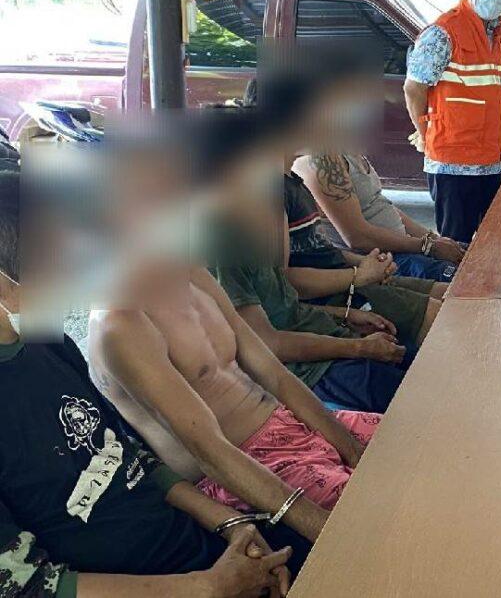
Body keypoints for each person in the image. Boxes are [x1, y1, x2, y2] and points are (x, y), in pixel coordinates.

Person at [0, 171, 296, 598]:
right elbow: (24, 586)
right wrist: (208, 587)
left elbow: (127, 455)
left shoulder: (49, 345)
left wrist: (232, 525)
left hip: (195, 547)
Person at [87, 262, 381, 543]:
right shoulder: (120, 323)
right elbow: (209, 452)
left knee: (403, 443)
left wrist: (352, 449)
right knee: (380, 515)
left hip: (290, 424)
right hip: (246, 470)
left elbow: (275, 375)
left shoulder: (191, 273)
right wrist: (319, 526)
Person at [403, 0, 501, 244]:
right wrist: (425, 133)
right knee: (456, 247)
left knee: (494, 246)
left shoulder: (500, 33)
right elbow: (413, 89)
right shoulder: (444, 32)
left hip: (494, 160)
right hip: (454, 165)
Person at [212, 257, 415, 414]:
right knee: (416, 399)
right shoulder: (223, 253)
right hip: (310, 370)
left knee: (416, 358)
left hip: (333, 337)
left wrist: (345, 315)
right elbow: (269, 345)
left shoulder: (252, 234)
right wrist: (361, 347)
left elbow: (286, 305)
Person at [293, 151, 465, 282]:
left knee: (469, 256)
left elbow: (384, 206)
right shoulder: (319, 161)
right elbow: (357, 237)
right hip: (381, 258)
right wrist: (427, 247)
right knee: (462, 281)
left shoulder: (347, 150)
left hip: (405, 247)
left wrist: (433, 239)